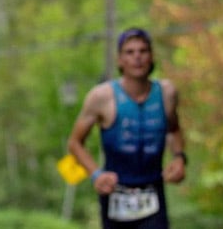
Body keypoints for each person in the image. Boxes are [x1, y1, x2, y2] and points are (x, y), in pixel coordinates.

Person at [66, 28, 187, 228]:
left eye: (143, 51)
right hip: (115, 193)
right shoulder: (101, 97)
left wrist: (179, 158)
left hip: (153, 192)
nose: (137, 57)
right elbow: (75, 143)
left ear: (151, 56)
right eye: (130, 52)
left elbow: (173, 129)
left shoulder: (167, 93)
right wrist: (96, 174)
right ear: (120, 60)